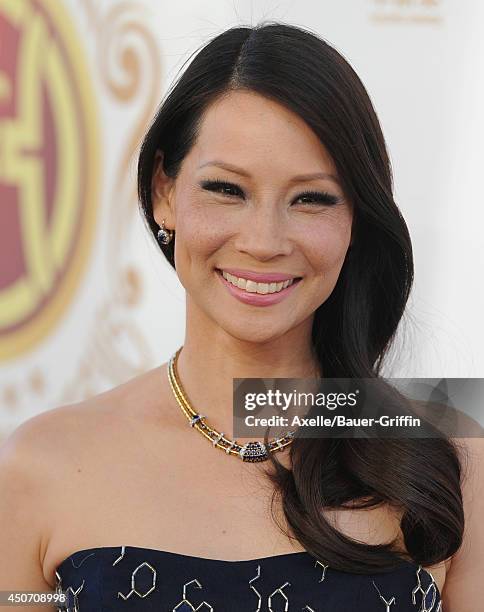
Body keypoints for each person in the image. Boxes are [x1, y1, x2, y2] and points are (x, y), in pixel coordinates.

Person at [1, 21, 483, 611]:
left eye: (312, 198)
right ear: (164, 192)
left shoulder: (454, 454)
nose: (264, 240)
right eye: (227, 190)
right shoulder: (40, 467)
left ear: (357, 218)